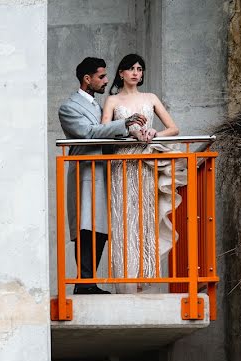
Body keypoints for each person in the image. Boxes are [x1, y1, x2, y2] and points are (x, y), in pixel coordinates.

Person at [58, 57, 147, 294]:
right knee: (85, 228)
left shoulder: (101, 105)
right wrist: (124, 125)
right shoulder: (69, 107)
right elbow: (87, 132)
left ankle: (87, 283)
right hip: (86, 172)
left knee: (101, 228)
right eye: (101, 77)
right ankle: (84, 283)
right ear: (87, 79)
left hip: (107, 170)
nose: (106, 81)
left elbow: (111, 131)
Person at [101, 53, 181, 293]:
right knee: (123, 218)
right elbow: (105, 130)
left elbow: (174, 128)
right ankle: (124, 279)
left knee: (145, 216)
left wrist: (155, 134)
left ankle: (143, 279)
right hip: (122, 163)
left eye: (139, 68)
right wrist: (130, 133)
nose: (136, 72)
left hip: (146, 163)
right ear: (121, 73)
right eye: (131, 68)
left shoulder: (150, 97)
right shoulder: (113, 101)